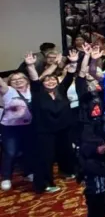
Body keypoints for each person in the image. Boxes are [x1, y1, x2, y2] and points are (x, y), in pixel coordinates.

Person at [25, 50, 79, 192]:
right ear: (43, 83)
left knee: (66, 151)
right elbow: (34, 80)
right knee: (46, 158)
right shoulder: (38, 94)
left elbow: (70, 75)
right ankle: (45, 184)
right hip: (45, 132)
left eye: (53, 80)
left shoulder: (61, 90)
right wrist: (30, 66)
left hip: (63, 129)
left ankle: (66, 171)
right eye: (47, 80)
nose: (50, 82)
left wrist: (73, 62)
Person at [0, 68, 33, 191]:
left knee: (29, 150)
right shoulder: (9, 91)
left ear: (26, 80)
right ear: (10, 83)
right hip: (10, 127)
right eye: (14, 80)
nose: (18, 81)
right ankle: (6, 177)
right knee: (11, 152)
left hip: (29, 126)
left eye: (21, 78)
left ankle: (28, 172)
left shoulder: (32, 90)